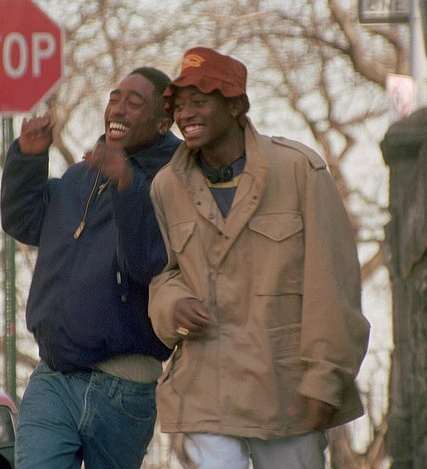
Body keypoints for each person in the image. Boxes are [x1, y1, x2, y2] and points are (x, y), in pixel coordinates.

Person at [147, 46, 371, 468]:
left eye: (199, 101)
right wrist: (173, 305)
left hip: (285, 390)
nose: (185, 114)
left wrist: (324, 380)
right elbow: (163, 274)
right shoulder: (165, 186)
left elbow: (333, 284)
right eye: (179, 105)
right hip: (205, 386)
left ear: (236, 106)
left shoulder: (299, 169)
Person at [0, 67, 181, 468]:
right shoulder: (81, 175)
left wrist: (126, 184)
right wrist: (28, 158)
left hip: (123, 386)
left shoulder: (172, 183)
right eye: (115, 99)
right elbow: (25, 222)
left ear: (162, 122)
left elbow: (146, 264)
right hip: (54, 376)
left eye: (135, 103)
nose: (118, 108)